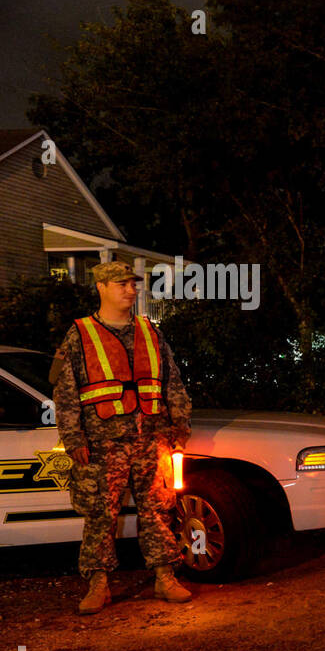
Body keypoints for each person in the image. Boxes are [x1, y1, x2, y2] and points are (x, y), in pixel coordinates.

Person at [53, 260, 193, 614]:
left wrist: (180, 425)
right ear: (100, 287)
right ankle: (98, 584)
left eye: (133, 284)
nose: (131, 290)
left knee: (159, 509)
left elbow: (172, 382)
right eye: (121, 284)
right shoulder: (79, 334)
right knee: (100, 514)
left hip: (152, 437)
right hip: (102, 443)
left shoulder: (150, 331)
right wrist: (74, 439)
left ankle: (165, 578)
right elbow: (66, 393)